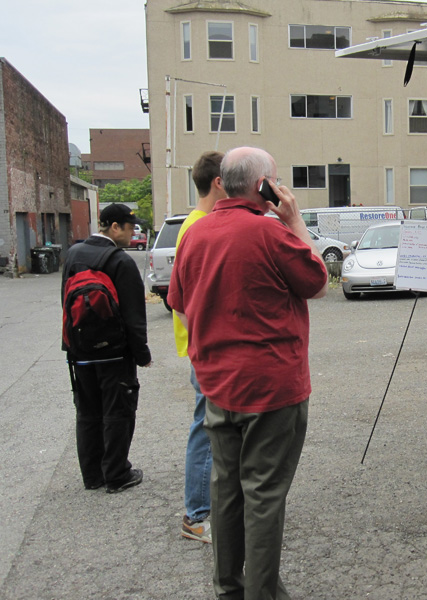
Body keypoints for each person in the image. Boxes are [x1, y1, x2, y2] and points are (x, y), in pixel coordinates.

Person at [168, 147, 328, 599]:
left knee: (226, 489)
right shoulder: (270, 233)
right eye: (274, 182)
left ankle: (228, 587)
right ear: (263, 186)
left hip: (217, 386)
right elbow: (317, 282)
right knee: (263, 497)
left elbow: (177, 301)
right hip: (272, 389)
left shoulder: (194, 234)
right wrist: (293, 220)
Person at [61, 203, 152, 493]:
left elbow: (65, 304)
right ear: (114, 227)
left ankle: (92, 475)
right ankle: (116, 474)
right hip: (114, 353)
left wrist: (70, 346)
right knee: (118, 411)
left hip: (80, 353)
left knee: (87, 412)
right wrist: (142, 354)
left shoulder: (73, 254)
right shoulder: (120, 261)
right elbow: (134, 316)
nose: (132, 232)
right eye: (129, 227)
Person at [173, 151, 226, 543]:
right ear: (219, 182)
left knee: (209, 428)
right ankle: (197, 515)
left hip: (202, 347)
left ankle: (207, 508)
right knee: (205, 430)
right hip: (205, 351)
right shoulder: (198, 227)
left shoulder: (196, 224)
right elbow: (185, 299)